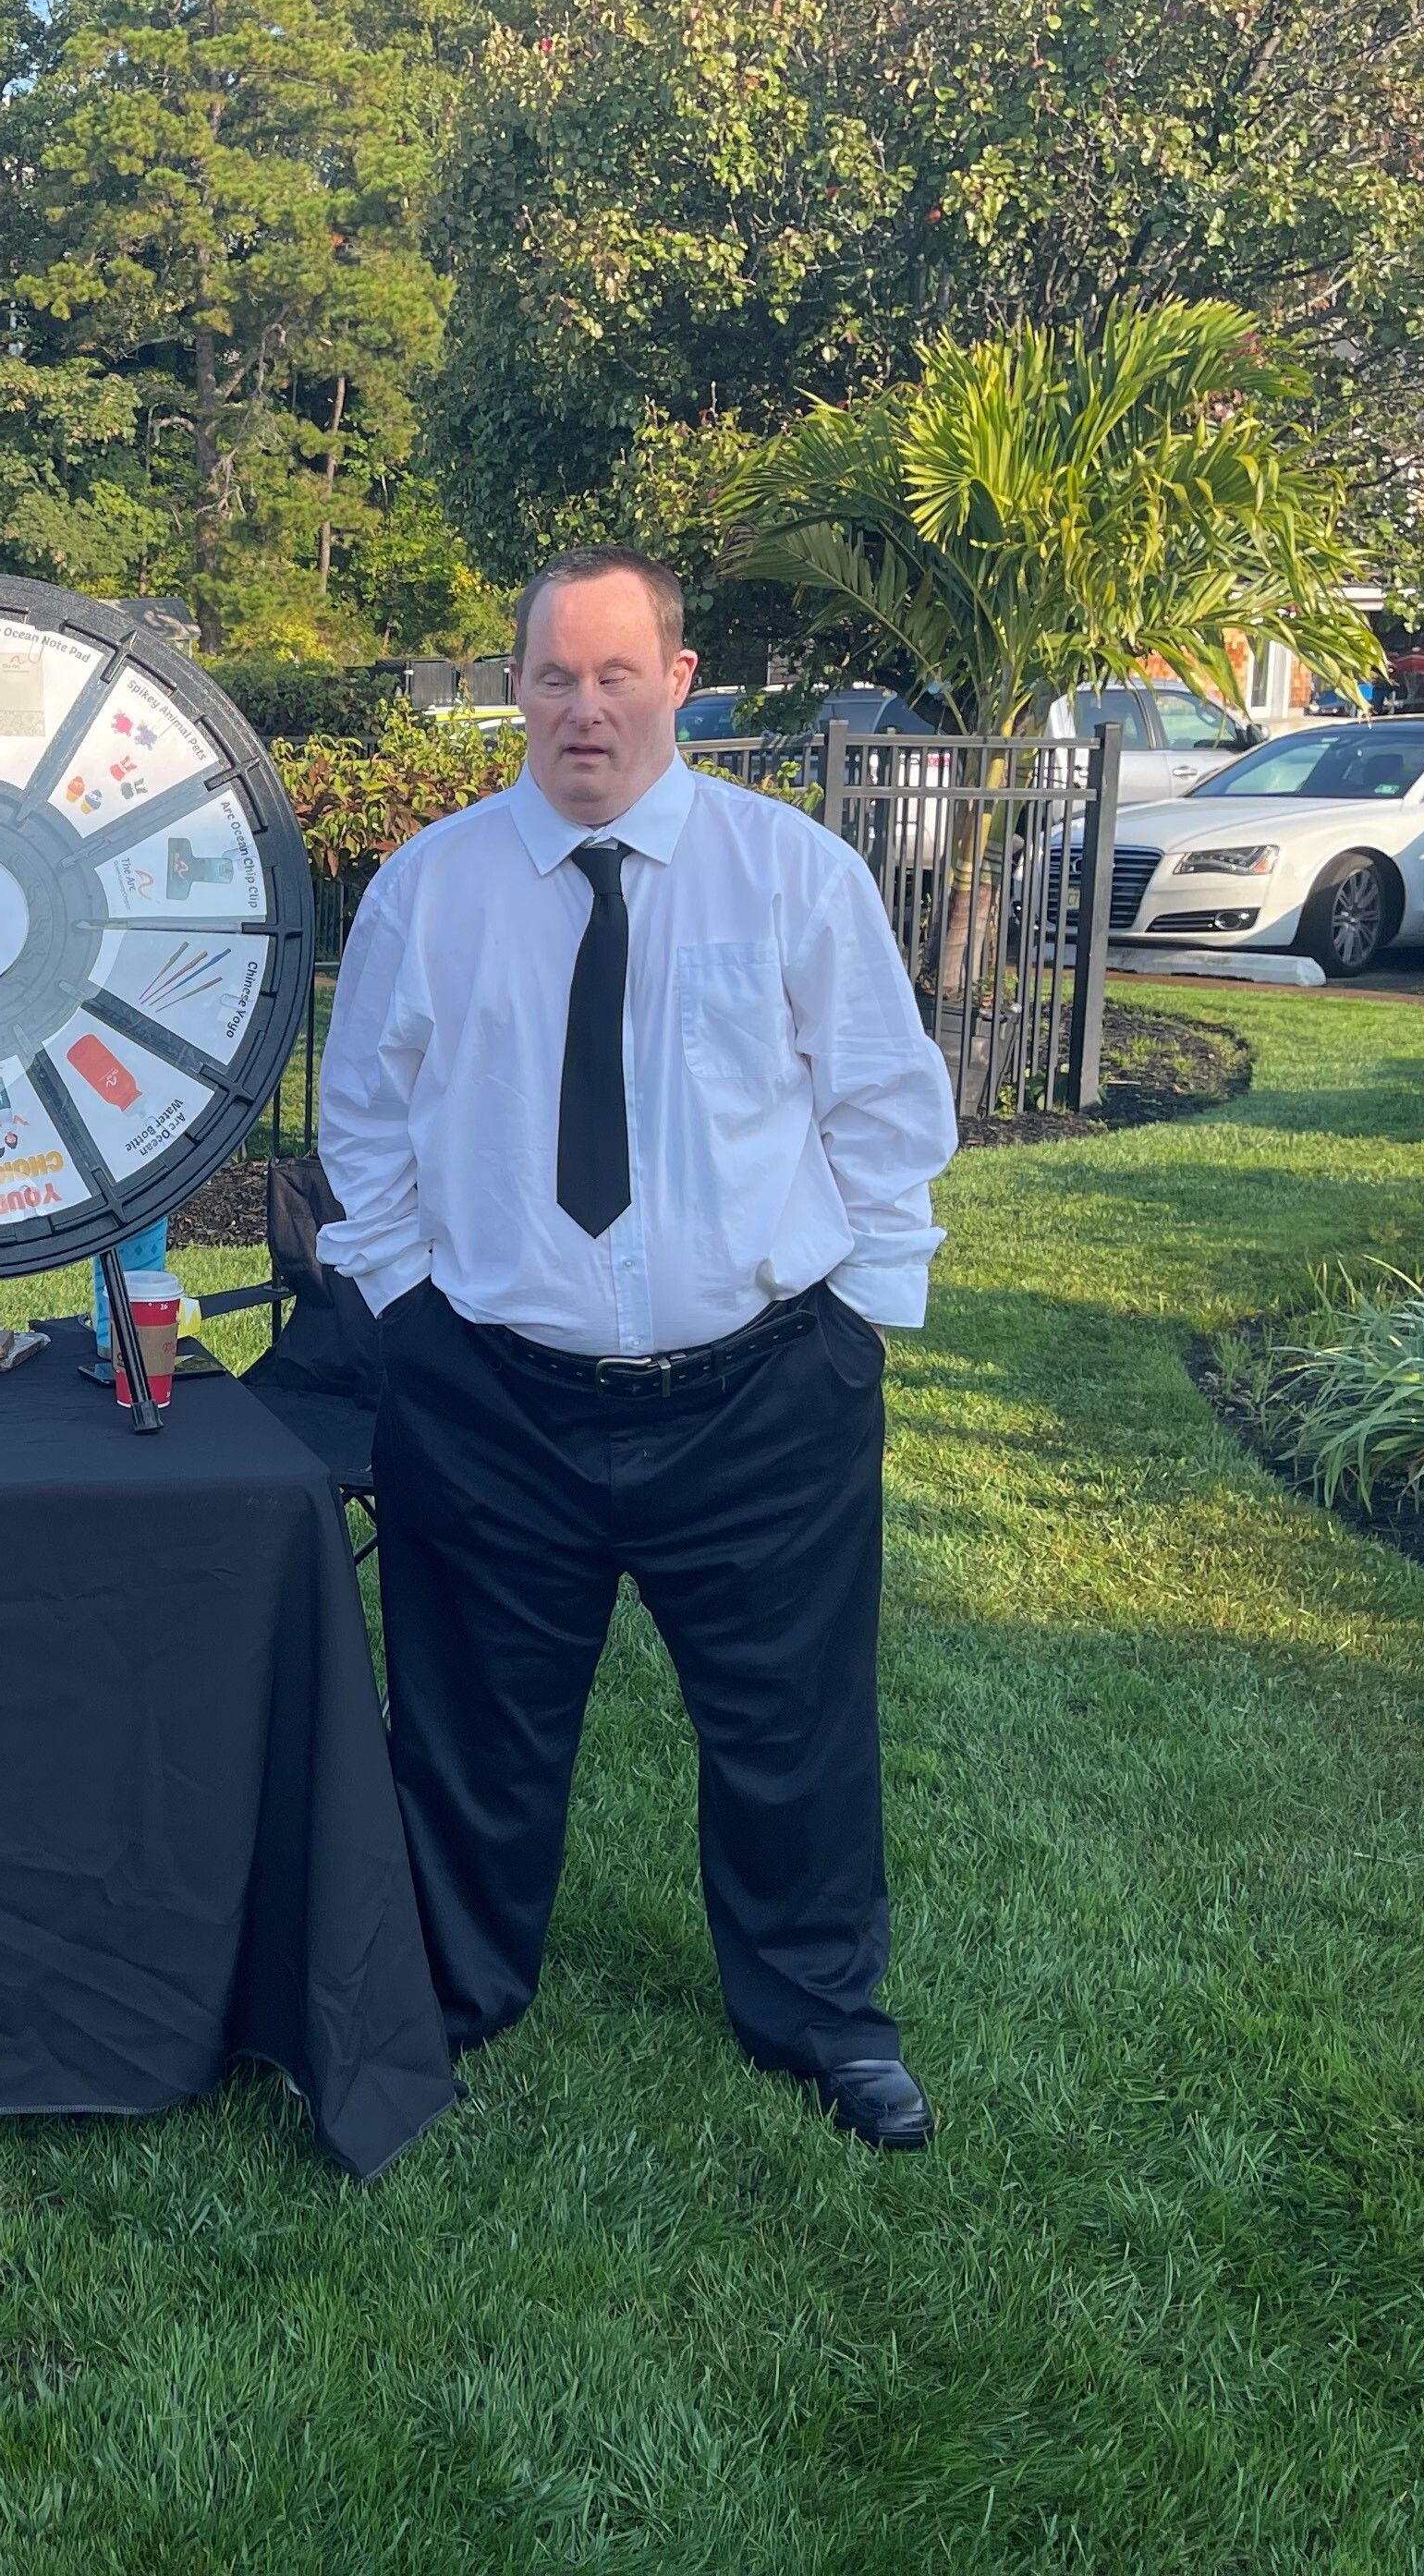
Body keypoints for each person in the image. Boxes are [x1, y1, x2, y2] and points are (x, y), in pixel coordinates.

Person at [314, 548, 957, 2149]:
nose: (582, 707)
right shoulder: (430, 888)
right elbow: (366, 1121)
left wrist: (861, 1320)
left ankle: (823, 2012)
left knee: (788, 1722)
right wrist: (405, 1308)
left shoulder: (789, 874)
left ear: (679, 677)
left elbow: (880, 1105)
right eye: (551, 675)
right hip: (491, 1399)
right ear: (510, 687)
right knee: (470, 1725)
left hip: (760, 1394)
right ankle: (449, 1994)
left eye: (615, 673)